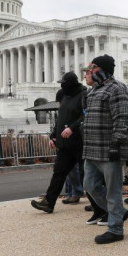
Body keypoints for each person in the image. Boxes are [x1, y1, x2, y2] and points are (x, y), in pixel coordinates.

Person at [81, 55, 128, 244]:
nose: (88, 71)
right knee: (90, 186)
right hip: (91, 149)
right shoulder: (94, 90)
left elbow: (122, 120)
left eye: (91, 67)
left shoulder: (117, 89)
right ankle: (120, 212)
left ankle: (116, 229)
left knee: (113, 191)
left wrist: (116, 145)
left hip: (109, 150)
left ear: (101, 69)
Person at [31, 72, 87, 214]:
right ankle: (49, 202)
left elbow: (85, 115)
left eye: (64, 83)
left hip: (79, 143)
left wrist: (72, 128)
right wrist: (53, 136)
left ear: (71, 83)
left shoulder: (84, 95)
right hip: (65, 144)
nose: (61, 85)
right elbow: (61, 119)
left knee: (86, 173)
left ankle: (98, 203)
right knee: (59, 173)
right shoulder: (65, 96)